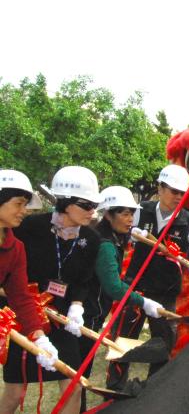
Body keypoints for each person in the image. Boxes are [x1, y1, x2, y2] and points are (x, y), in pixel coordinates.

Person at [1, 166, 102, 414]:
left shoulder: (14, 245)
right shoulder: (29, 228)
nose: (92, 212)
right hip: (14, 315)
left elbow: (19, 291)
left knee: (73, 384)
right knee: (15, 390)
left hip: (51, 316)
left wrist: (41, 334)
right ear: (66, 202)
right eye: (87, 205)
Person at [107, 165, 189, 390]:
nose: (178, 197)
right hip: (136, 287)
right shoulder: (141, 209)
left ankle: (152, 390)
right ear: (160, 189)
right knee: (123, 339)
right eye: (173, 191)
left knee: (163, 343)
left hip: (165, 291)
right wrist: (131, 232)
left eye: (182, 194)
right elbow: (119, 228)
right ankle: (114, 389)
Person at [80, 186, 164, 410]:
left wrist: (134, 290)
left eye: (131, 213)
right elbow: (113, 287)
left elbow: (115, 280)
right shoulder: (105, 244)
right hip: (86, 311)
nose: (130, 219)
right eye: (124, 214)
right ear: (108, 214)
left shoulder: (112, 238)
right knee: (78, 372)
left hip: (92, 310)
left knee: (79, 370)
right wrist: (142, 301)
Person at [0, 170, 59, 413]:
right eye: (19, 204)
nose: (24, 210)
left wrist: (39, 335)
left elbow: (21, 296)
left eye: (25, 205)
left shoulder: (16, 248)